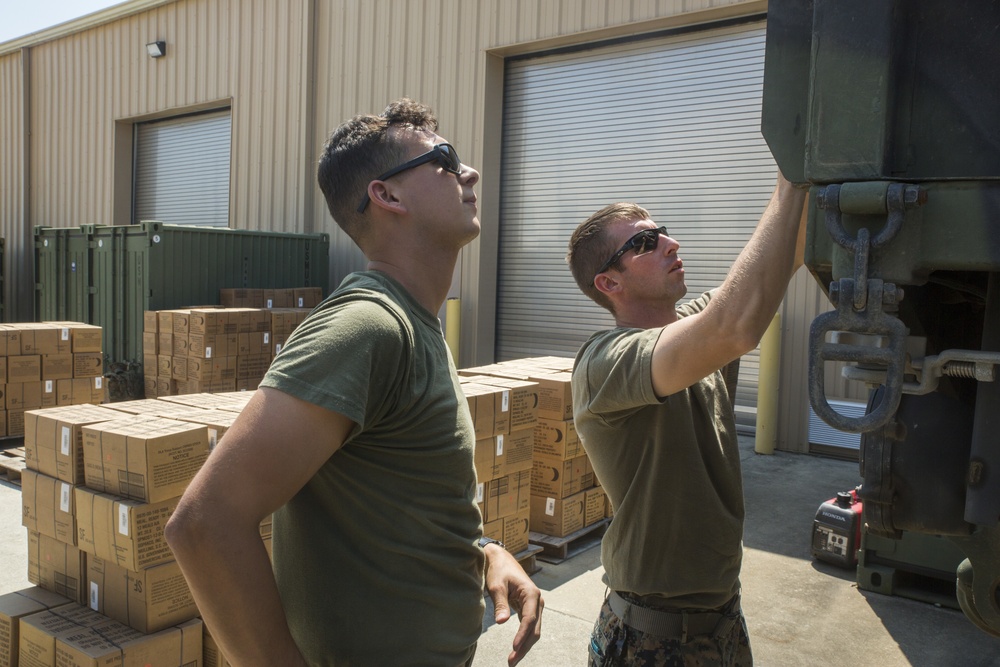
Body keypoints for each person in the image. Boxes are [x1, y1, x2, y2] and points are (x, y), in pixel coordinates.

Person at [165, 98, 543, 666]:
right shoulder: (367, 327)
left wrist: (486, 553)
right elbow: (203, 524)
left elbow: (397, 500)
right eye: (444, 159)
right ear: (386, 195)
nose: (469, 172)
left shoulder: (417, 327)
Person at [566, 174, 807, 666]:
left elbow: (777, 267)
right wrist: (789, 183)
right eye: (645, 243)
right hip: (650, 640)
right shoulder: (604, 362)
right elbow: (734, 326)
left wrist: (817, 174)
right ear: (609, 283)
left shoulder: (692, 324)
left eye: (664, 232)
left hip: (723, 623)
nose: (671, 244)